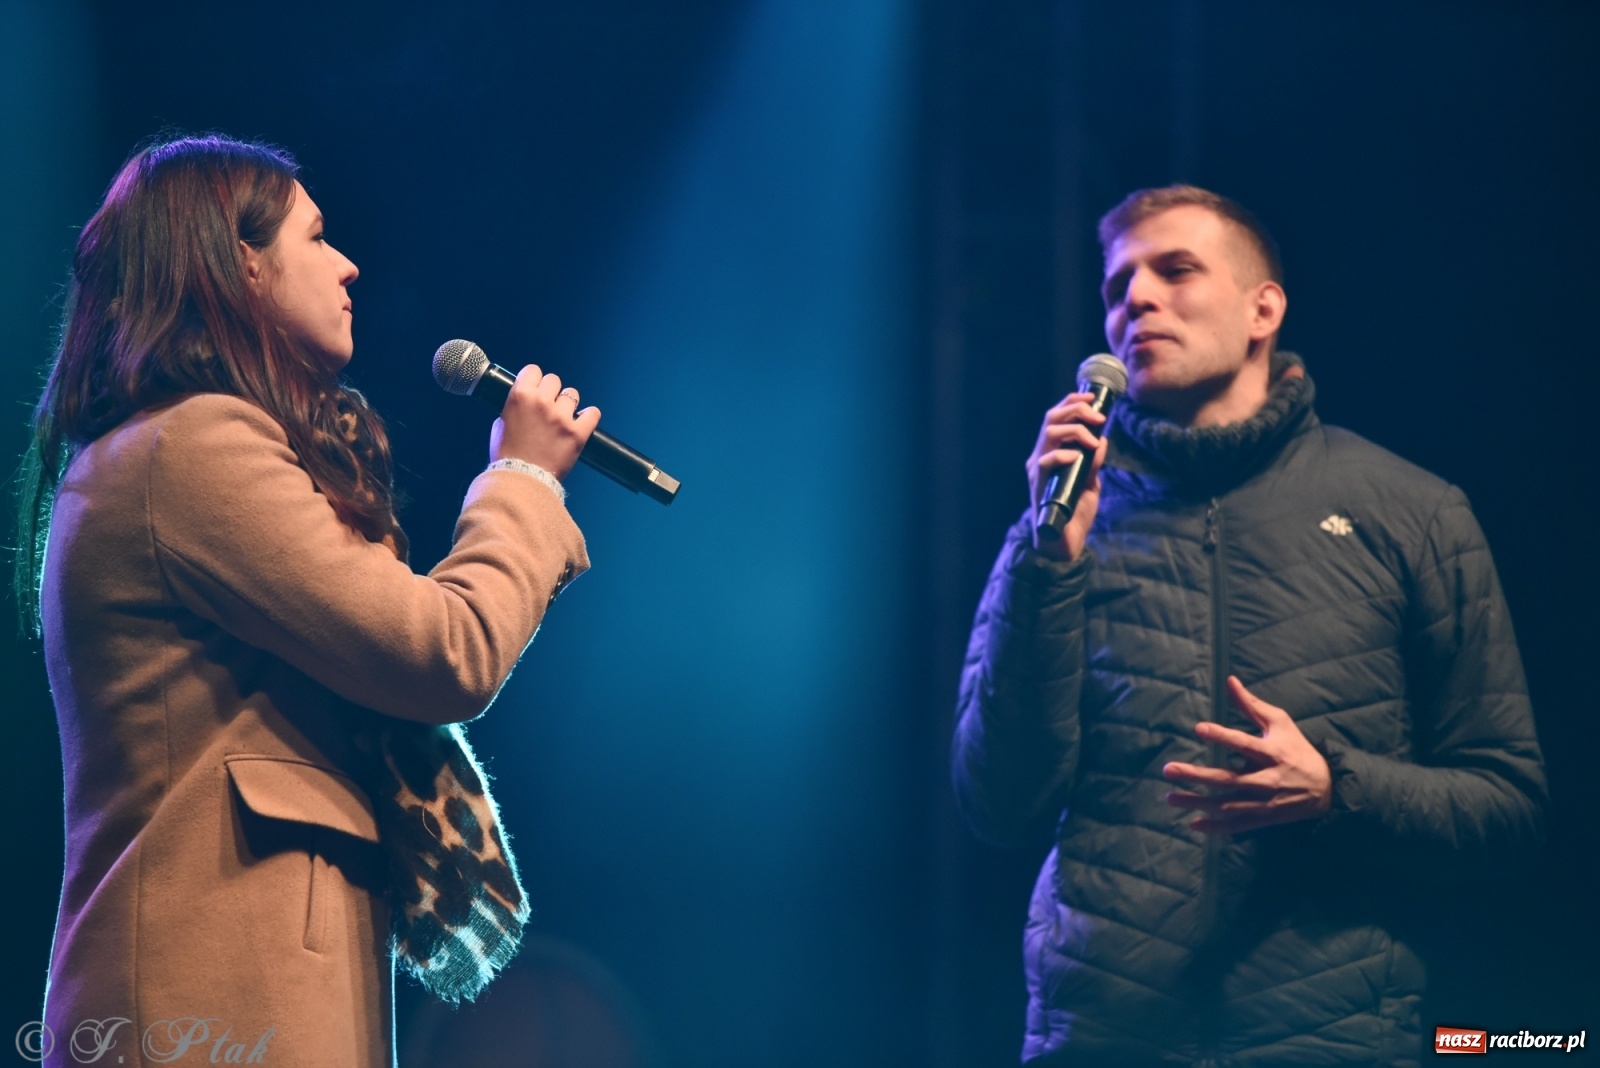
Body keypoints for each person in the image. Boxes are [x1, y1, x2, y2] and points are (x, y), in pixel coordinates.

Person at [14, 136, 599, 1067]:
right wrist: (522, 482)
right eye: (317, 236)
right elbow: (442, 651)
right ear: (241, 263)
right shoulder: (191, 448)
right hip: (200, 1015)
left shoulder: (178, 447)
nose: (348, 264)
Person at [952, 185, 1547, 1067]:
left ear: (1263, 309)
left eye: (1175, 271)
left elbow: (1509, 808)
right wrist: (1048, 567)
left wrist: (1338, 788)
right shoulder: (1060, 529)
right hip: (1106, 1040)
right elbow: (996, 805)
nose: (1135, 300)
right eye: (1117, 287)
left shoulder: (1411, 511)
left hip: (1332, 1039)